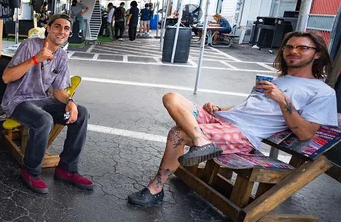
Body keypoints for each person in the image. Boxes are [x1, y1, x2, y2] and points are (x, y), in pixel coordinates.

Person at [128, 31, 338, 207]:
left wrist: (283, 100)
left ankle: (156, 188)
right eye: (289, 47)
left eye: (302, 48)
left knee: (178, 133)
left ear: (317, 53)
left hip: (243, 134)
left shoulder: (322, 92)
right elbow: (249, 106)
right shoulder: (279, 80)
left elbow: (306, 133)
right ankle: (202, 141)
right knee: (171, 98)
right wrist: (219, 108)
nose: (293, 51)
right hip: (223, 120)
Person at [1, 13, 93, 195]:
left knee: (81, 113)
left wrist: (70, 102)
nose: (62, 31)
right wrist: (35, 59)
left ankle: (67, 169)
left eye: (66, 28)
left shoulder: (62, 56)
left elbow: (58, 91)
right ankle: (30, 171)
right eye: (57, 26)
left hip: (42, 99)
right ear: (48, 28)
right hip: (18, 100)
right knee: (43, 120)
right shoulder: (30, 45)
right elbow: (6, 77)